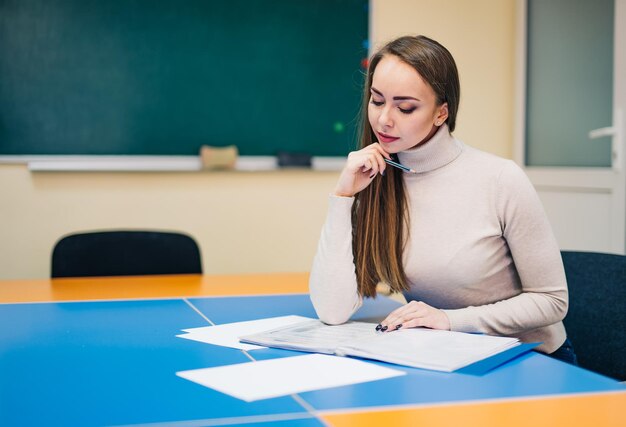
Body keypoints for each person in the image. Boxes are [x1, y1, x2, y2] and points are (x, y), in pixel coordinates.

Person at [309, 35, 577, 364]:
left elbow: (551, 301)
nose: (384, 120)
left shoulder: (501, 179)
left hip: (529, 360)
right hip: (442, 357)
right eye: (377, 101)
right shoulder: (376, 177)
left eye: (405, 107)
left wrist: (450, 321)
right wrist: (343, 196)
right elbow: (333, 311)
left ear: (441, 113)